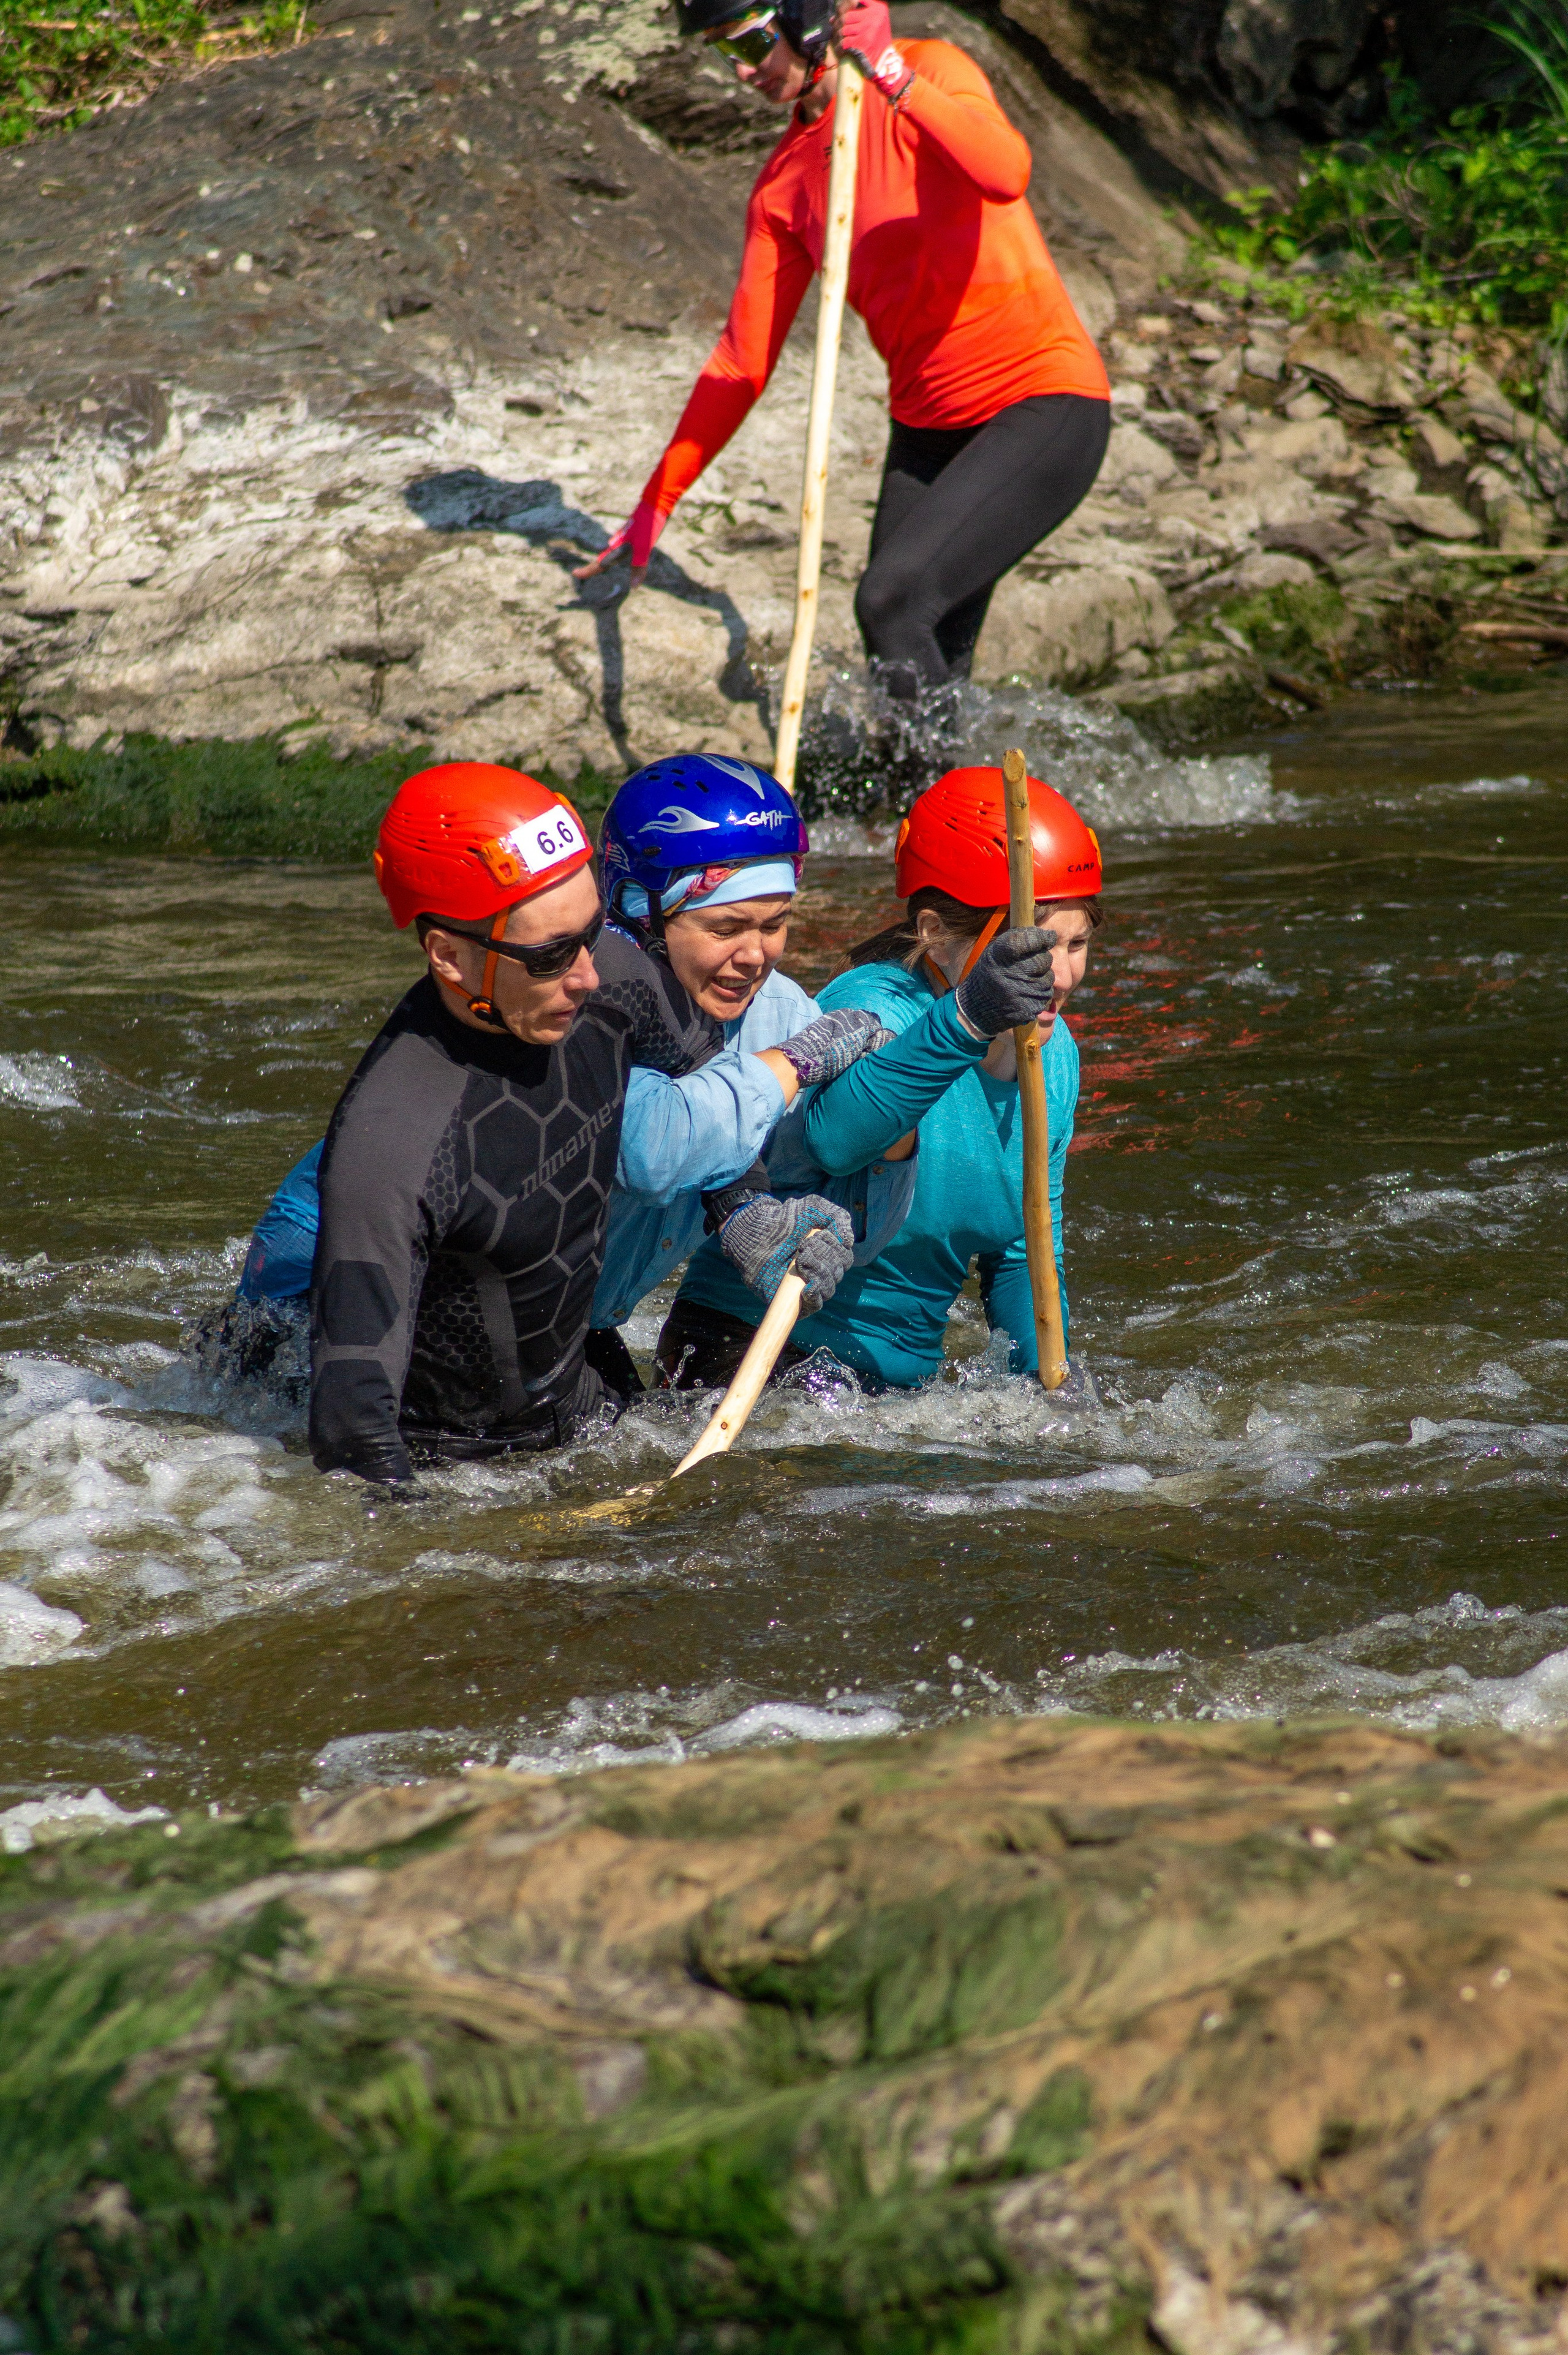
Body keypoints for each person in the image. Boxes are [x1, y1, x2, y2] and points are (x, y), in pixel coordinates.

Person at [202, 756, 884, 1449]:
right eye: (555, 954)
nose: (591, 975)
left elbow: (704, 1067)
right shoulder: (418, 1121)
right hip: (338, 1307)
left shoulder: (614, 970)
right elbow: (353, 1439)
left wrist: (743, 1205)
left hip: (539, 1324)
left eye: (775, 924)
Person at [574, 0, 1109, 698]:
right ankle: (930, 800)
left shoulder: (927, 69)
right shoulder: (782, 188)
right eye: (718, 52)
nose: (739, 72)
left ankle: (936, 801)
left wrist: (890, 74)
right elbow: (741, 362)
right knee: (913, 643)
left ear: (803, 20)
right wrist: (658, 500)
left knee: (890, 600)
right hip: (926, 431)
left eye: (749, 42)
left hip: (1042, 403)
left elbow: (1005, 173)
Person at [658, 763, 1101, 1392]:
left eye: (1075, 945)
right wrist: (969, 1019)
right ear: (935, 933)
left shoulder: (1055, 1060)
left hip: (899, 1388)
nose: (1057, 976)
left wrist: (1045, 1382)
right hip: (761, 1344)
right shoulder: (872, 1004)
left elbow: (1024, 1249)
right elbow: (836, 1137)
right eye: (1031, 948)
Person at [585, 750, 911, 1396]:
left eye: (775, 924)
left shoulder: (780, 1012)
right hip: (433, 1319)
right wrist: (789, 1065)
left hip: (580, 1324)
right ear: (638, 907)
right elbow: (651, 1152)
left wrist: (891, 1129)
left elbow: (857, 1224)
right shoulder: (579, 995)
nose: (754, 955)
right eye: (726, 926)